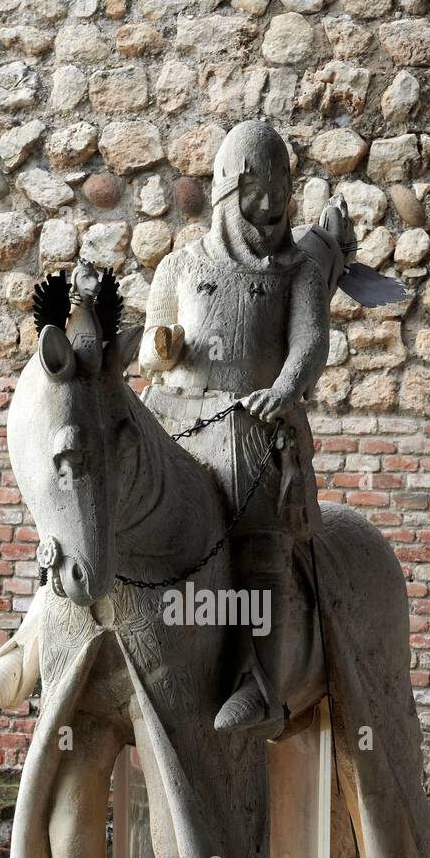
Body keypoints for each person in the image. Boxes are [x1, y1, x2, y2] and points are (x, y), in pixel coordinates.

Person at [139, 121, 341, 740]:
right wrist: (163, 347)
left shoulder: (299, 270)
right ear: (233, 186)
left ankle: (259, 684)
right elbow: (151, 349)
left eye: (284, 184)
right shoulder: (179, 265)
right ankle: (48, 641)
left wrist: (283, 391)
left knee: (259, 534)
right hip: (174, 418)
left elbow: (310, 341)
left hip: (250, 422)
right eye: (265, 185)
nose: (278, 199)